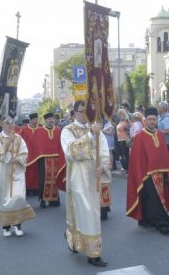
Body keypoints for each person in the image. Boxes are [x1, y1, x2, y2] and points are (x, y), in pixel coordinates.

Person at [60, 100, 111, 267]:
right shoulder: (67, 131)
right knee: (86, 212)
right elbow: (72, 152)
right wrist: (90, 134)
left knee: (94, 213)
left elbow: (104, 150)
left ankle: (76, 241)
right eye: (81, 111)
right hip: (78, 178)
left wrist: (102, 166)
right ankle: (93, 253)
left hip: (93, 177)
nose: (85, 114)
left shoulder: (96, 130)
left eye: (87, 111)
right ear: (74, 113)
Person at [126, 106, 169, 236]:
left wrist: (167, 169)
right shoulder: (140, 136)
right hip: (146, 174)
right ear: (145, 120)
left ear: (157, 119)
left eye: (154, 119)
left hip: (161, 173)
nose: (152, 121)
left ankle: (146, 218)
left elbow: (163, 154)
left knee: (158, 198)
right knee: (152, 198)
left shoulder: (160, 134)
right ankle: (162, 223)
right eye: (149, 119)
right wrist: (142, 173)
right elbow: (137, 159)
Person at [0, 117, 36, 237]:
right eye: (7, 123)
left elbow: (24, 152)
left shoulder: (18, 138)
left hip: (17, 170)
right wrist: (7, 143)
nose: (10, 126)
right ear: (2, 125)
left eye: (11, 123)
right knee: (5, 198)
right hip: (3, 171)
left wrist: (17, 158)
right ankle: (6, 227)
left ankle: (17, 225)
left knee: (18, 197)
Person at [30, 113, 66, 208]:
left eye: (52, 119)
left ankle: (54, 200)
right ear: (45, 120)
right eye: (49, 119)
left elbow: (61, 144)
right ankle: (42, 199)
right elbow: (34, 144)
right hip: (43, 159)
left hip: (56, 159)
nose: (51, 120)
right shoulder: (39, 131)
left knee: (55, 179)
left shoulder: (58, 131)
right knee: (43, 180)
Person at [21, 112, 41, 196]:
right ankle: (28, 189)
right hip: (28, 154)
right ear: (30, 120)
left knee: (37, 172)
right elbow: (22, 142)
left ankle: (37, 188)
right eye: (34, 120)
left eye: (37, 119)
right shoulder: (25, 130)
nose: (36, 121)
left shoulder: (41, 128)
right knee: (29, 173)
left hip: (39, 154)